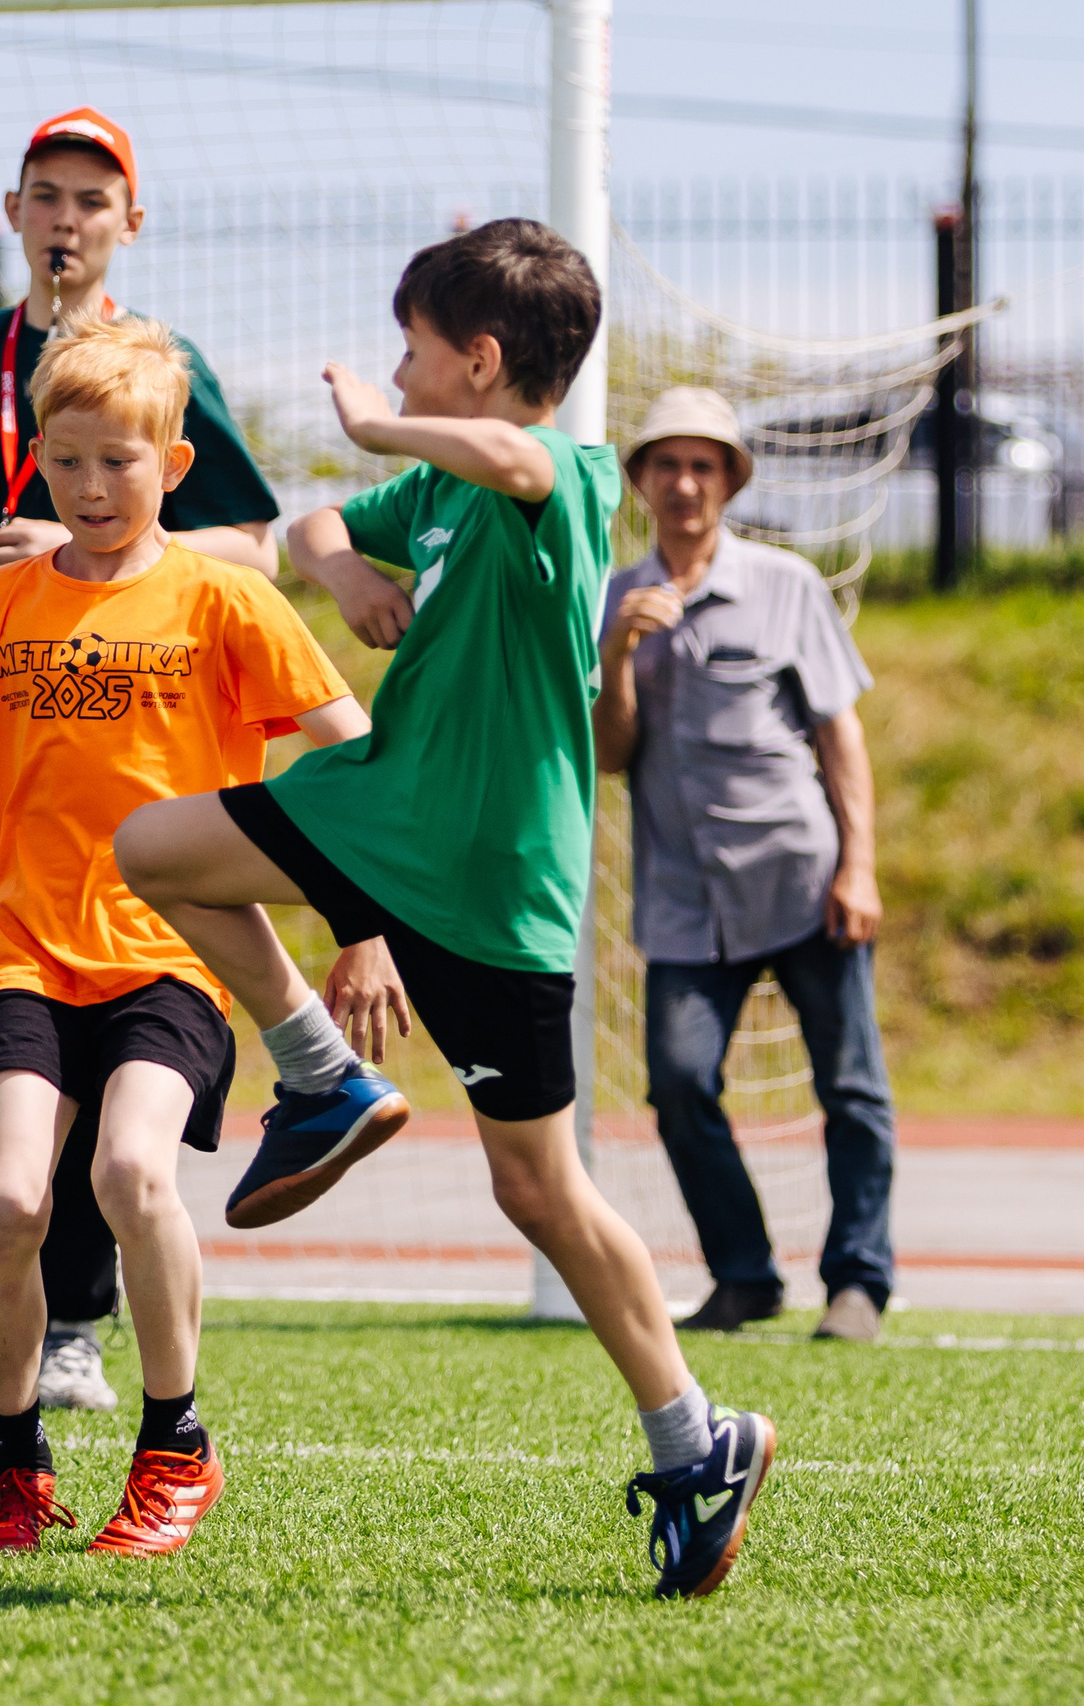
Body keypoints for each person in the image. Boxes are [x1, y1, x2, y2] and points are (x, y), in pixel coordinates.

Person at [116, 220, 775, 1600]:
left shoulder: (567, 478)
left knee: (537, 1186)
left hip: (491, 875)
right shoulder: (433, 491)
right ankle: (320, 1073)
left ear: (475, 362)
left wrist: (380, 424)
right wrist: (345, 567)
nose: (397, 369)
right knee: (152, 846)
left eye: (412, 349)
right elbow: (313, 526)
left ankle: (696, 1438)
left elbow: (516, 460)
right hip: (388, 812)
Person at [0, 313, 375, 1554]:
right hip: (17, 954)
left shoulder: (226, 598)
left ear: (175, 464)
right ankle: (16, 1465)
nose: (92, 486)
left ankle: (174, 1444)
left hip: (171, 956)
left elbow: (355, 755)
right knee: (6, 1199)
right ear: (37, 461)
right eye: (66, 461)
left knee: (128, 1173)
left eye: (120, 460)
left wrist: (361, 923)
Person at [0, 107, 287, 1409]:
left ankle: (78, 1313)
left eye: (92, 201)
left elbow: (255, 547)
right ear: (14, 210)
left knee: (100, 1009)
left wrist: (73, 547)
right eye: (46, 195)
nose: (66, 219)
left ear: (128, 224)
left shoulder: (156, 366)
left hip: (101, 734)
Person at [592, 387, 896, 1345]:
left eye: (704, 465)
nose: (685, 483)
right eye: (667, 465)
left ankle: (858, 1284)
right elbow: (610, 754)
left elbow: (840, 735)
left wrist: (859, 868)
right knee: (680, 1084)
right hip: (685, 897)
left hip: (802, 878)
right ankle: (744, 1275)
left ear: (729, 482)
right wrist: (619, 650)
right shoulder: (613, 597)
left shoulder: (787, 584)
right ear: (641, 481)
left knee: (851, 1090)